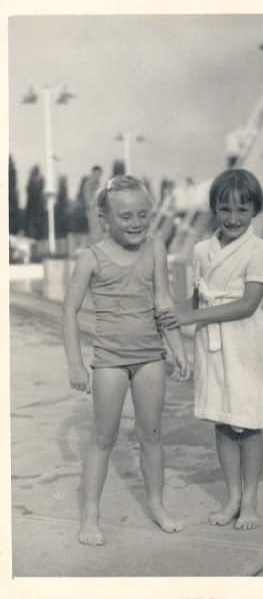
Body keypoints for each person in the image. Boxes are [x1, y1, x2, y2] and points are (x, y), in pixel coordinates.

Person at [63, 175, 189, 545]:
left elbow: (164, 301)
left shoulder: (155, 249)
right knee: (103, 437)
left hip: (151, 355)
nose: (136, 224)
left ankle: (157, 505)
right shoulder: (91, 257)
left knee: (151, 434)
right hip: (109, 361)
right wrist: (75, 362)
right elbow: (69, 310)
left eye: (143, 215)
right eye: (126, 217)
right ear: (105, 219)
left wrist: (179, 348)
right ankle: (90, 515)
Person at [157, 169, 263, 531]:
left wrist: (194, 316)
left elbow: (247, 304)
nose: (232, 218)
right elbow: (193, 301)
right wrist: (165, 317)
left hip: (246, 345)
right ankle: (232, 498)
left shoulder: (262, 252)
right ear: (213, 208)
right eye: (224, 209)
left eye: (242, 210)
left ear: (254, 211)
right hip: (212, 347)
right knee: (223, 422)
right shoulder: (200, 251)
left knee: (250, 424)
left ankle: (252, 501)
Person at [83, 165, 103, 243]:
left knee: (99, 234)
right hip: (92, 212)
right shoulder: (88, 184)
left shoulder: (97, 184)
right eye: (96, 175)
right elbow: (88, 202)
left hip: (98, 212)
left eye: (99, 175)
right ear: (92, 173)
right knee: (95, 234)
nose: (98, 177)